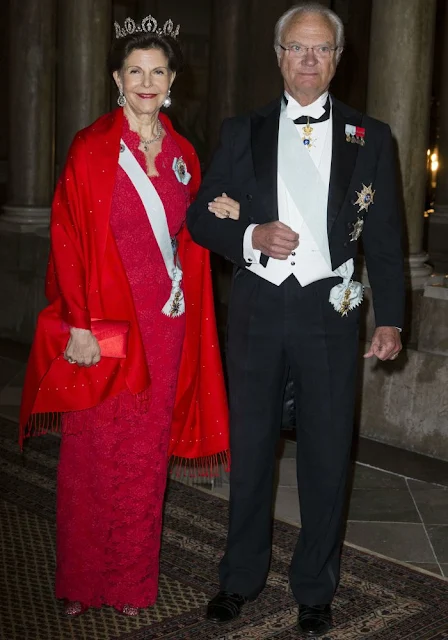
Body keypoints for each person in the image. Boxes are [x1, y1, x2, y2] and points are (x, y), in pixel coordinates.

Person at [187, 3, 404, 636]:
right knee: (251, 451)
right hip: (257, 310)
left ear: (339, 59)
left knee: (327, 455)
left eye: (321, 50)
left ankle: (315, 587)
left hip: (330, 316)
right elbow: (202, 217)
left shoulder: (373, 135)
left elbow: (386, 238)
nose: (308, 60)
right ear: (279, 56)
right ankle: (240, 578)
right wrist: (251, 233)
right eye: (297, 48)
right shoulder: (239, 131)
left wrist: (390, 317)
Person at [19, 15, 239, 617]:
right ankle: (81, 582)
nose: (147, 82)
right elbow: (67, 238)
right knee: (91, 453)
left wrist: (218, 212)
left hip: (165, 325)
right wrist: (79, 327)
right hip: (107, 326)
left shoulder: (184, 156)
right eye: (135, 71)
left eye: (158, 72)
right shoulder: (92, 149)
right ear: (118, 78)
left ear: (172, 81)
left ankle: (129, 584)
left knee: (144, 458)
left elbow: (190, 237)